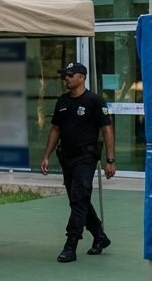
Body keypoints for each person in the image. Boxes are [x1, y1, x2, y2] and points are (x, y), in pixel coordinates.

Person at [40, 62, 115, 263]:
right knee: (78, 200)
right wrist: (46, 155)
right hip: (67, 157)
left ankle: (70, 244)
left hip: (86, 157)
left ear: (82, 77)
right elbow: (55, 129)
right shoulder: (62, 101)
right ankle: (99, 236)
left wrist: (110, 160)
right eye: (65, 75)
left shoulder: (94, 101)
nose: (66, 78)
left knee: (79, 197)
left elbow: (107, 129)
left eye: (70, 75)